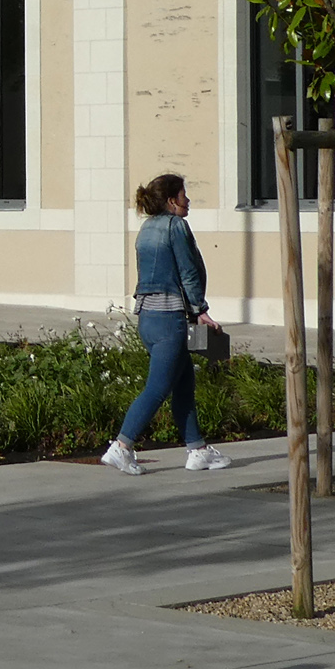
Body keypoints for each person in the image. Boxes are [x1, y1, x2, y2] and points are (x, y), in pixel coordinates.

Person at [102, 172, 232, 474]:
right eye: (184, 195)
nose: (188, 200)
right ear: (172, 201)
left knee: (184, 383)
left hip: (147, 318)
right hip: (169, 320)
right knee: (157, 387)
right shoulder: (176, 226)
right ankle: (121, 446)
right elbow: (187, 271)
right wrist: (201, 309)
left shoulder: (146, 229)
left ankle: (197, 450)